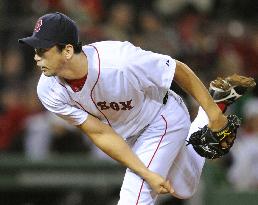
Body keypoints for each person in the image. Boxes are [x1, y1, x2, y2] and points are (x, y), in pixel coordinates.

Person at [18, 12, 252, 205]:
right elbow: (100, 133)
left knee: (134, 195)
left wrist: (214, 116)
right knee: (184, 189)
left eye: (42, 50)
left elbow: (178, 70)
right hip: (129, 135)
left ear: (67, 51)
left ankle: (211, 108)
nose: (36, 57)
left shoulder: (119, 60)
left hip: (161, 117)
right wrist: (145, 170)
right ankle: (216, 100)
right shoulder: (49, 90)